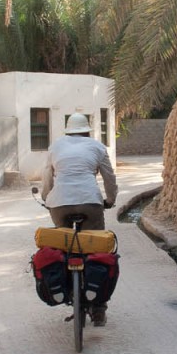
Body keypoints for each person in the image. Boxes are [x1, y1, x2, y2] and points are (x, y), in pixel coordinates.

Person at [41, 112, 118, 324]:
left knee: (63, 248)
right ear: (87, 130)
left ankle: (67, 291)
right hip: (90, 202)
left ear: (67, 130)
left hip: (60, 204)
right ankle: (99, 307)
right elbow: (109, 178)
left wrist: (46, 197)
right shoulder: (97, 147)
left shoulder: (56, 146)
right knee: (96, 250)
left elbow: (47, 177)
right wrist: (110, 199)